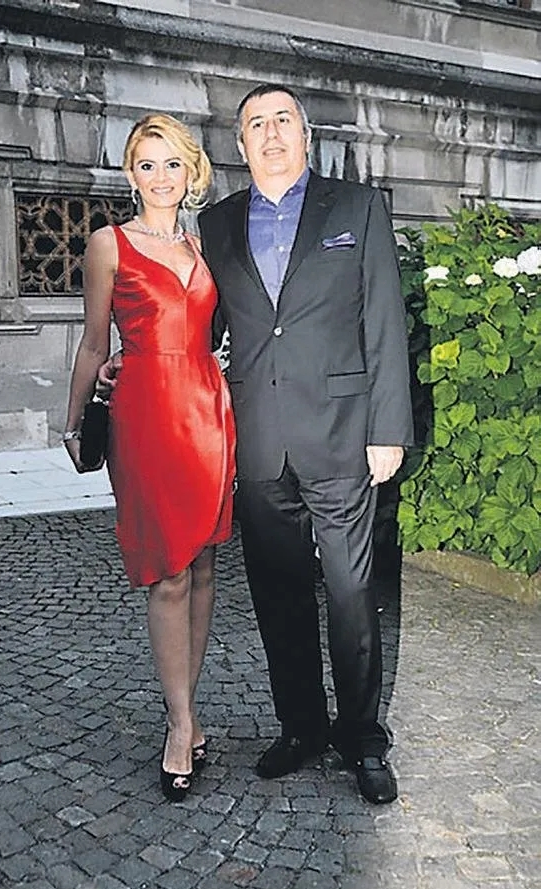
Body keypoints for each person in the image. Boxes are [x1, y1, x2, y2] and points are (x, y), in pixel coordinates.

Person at [100, 85, 414, 804]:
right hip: (255, 438)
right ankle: (301, 727)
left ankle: (363, 738)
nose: (271, 134)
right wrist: (132, 357)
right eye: (255, 125)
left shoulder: (357, 208)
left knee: (350, 592)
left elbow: (383, 322)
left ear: (306, 134)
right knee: (277, 594)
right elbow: (196, 322)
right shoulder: (218, 224)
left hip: (342, 435)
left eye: (283, 121)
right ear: (240, 144)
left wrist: (388, 429)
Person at [63, 113, 236, 803]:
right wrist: (74, 420)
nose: (160, 177)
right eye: (146, 164)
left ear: (190, 170)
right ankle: (180, 723)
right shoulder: (108, 244)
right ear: (130, 175)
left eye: (171, 163)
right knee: (168, 572)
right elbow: (92, 342)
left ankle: (187, 709)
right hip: (146, 414)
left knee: (204, 566)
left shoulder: (205, 244)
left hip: (208, 412)